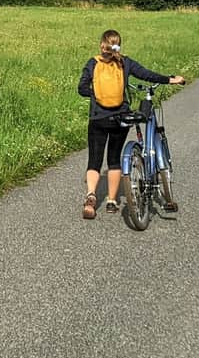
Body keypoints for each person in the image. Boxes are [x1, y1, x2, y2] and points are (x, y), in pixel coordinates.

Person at [77, 29, 185, 219]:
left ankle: (91, 196)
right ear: (119, 44)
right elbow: (146, 74)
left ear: (102, 44)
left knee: (95, 160)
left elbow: (82, 89)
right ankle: (111, 201)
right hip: (121, 117)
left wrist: (96, 93)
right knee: (114, 159)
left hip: (98, 118)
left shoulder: (93, 63)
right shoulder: (125, 62)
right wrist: (170, 79)